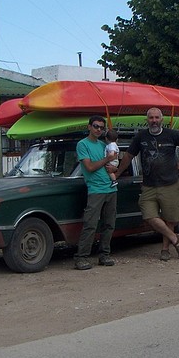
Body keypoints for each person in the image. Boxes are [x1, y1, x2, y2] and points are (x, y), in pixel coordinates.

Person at [115, 107, 179, 261]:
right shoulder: (141, 136)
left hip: (170, 183)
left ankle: (165, 250)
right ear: (147, 120)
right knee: (149, 215)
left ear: (161, 119)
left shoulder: (172, 135)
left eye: (156, 117)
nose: (154, 121)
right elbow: (129, 155)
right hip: (149, 185)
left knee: (169, 218)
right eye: (151, 118)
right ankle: (175, 238)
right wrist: (118, 173)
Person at [73, 115, 118, 270]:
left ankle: (104, 255)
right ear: (89, 127)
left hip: (111, 188)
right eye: (96, 126)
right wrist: (107, 160)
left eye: (101, 127)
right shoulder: (82, 145)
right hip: (96, 189)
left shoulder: (104, 144)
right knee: (90, 224)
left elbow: (113, 164)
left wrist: (114, 167)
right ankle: (81, 257)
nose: (99, 129)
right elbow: (89, 167)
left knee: (109, 224)